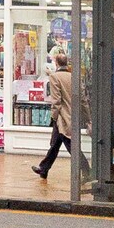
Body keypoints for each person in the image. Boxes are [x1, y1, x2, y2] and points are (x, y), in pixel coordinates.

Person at [32, 51, 75, 181]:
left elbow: (56, 101)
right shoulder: (73, 76)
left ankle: (85, 169)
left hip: (61, 117)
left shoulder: (55, 77)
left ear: (56, 63)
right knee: (55, 144)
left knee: (70, 145)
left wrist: (53, 117)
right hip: (70, 115)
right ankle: (43, 169)